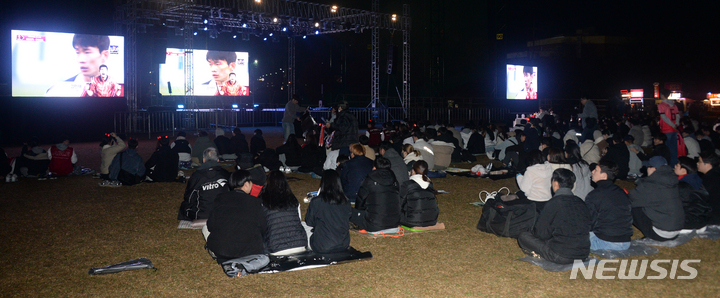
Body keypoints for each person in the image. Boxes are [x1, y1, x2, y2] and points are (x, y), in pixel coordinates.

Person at [517, 169, 591, 264]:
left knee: (523, 236)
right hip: (583, 254)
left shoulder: (554, 203)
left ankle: (540, 253)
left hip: (561, 255)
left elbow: (541, 234)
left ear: (555, 183)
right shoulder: (581, 202)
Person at [206, 170, 266, 264]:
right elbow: (263, 228)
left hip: (222, 249)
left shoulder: (220, 198)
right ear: (246, 184)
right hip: (249, 251)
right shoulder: (255, 202)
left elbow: (210, 225)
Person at [629, 156, 684, 241]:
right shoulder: (672, 181)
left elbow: (631, 198)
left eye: (648, 167)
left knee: (630, 206)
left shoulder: (651, 184)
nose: (647, 169)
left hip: (661, 234)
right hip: (676, 230)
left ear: (654, 169)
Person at [585, 160, 633, 251]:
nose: (592, 172)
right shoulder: (621, 192)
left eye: (596, 170)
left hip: (605, 242)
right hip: (626, 241)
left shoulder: (594, 195)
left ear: (604, 175)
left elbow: (589, 222)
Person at [46, 34, 113, 96]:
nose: (81, 60)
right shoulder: (58, 91)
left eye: (87, 52)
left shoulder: (116, 90)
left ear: (104, 55)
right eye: (77, 52)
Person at [261, 171, 308, 255]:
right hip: (299, 245)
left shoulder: (263, 201)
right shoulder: (293, 200)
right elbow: (298, 221)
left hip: (275, 249)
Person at [305, 170, 352, 253]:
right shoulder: (346, 200)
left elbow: (309, 222)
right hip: (344, 244)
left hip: (322, 246)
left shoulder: (317, 201)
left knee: (302, 226)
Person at [178, 147, 231, 220]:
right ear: (218, 160)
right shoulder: (226, 174)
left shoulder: (196, 176)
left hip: (201, 214)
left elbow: (189, 197)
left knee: (184, 206)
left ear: (203, 160)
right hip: (224, 212)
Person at [351, 157, 401, 232]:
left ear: (374, 168)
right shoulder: (395, 181)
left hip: (374, 224)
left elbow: (360, 201)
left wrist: (360, 212)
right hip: (394, 222)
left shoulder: (369, 180)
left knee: (350, 211)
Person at [675, 156, 712, 231]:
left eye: (677, 165)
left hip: (690, 222)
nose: (674, 166)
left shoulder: (682, 185)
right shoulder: (697, 181)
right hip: (703, 219)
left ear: (683, 170)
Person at [400, 160, 439, 227]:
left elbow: (399, 202)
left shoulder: (407, 184)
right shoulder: (430, 184)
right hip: (432, 220)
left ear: (413, 171)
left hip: (412, 221)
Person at [658, 89, 680, 166]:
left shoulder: (661, 105)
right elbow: (677, 115)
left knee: (666, 149)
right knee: (674, 149)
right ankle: (674, 164)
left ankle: (667, 165)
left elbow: (664, 117)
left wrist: (672, 125)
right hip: (674, 129)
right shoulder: (674, 105)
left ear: (663, 95)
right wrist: (676, 124)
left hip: (666, 129)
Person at [697, 151, 720, 224]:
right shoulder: (716, 174)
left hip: (714, 216)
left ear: (708, 164)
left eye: (699, 162)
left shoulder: (708, 179)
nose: (697, 163)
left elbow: (702, 199)